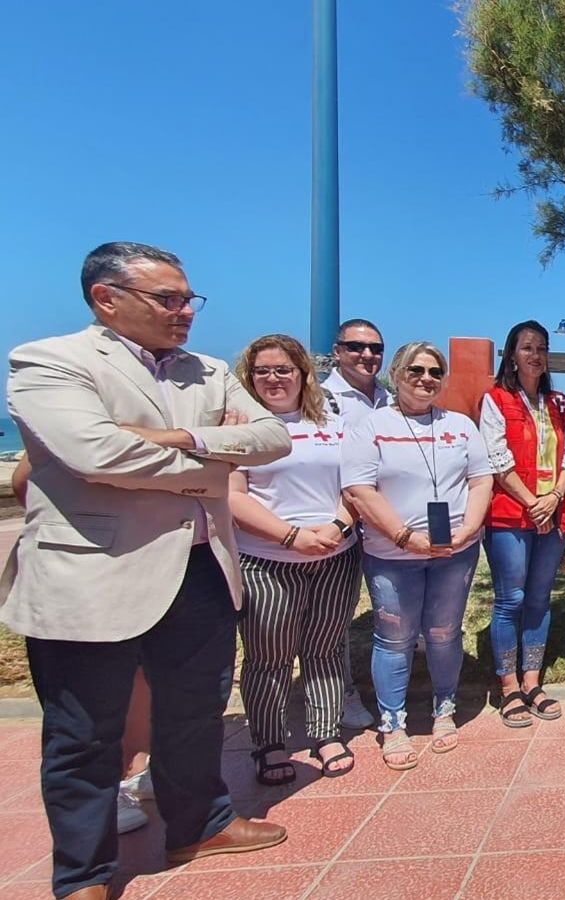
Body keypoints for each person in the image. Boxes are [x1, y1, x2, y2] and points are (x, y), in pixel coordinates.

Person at [3, 242, 292, 898]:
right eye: (168, 299)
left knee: (196, 710)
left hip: (200, 570)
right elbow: (95, 454)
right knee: (84, 734)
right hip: (95, 576)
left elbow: (273, 439)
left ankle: (200, 824)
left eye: (190, 299)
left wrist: (183, 440)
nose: (185, 311)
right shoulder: (50, 361)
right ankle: (84, 874)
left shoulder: (209, 370)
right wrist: (215, 463)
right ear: (107, 298)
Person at [341, 342, 493, 771]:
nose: (426, 378)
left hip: (456, 552)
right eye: (416, 370)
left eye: (434, 371)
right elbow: (359, 490)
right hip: (391, 554)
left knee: (445, 632)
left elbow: (481, 480)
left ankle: (444, 708)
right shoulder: (370, 427)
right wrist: (404, 536)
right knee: (395, 637)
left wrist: (468, 530)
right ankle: (393, 723)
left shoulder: (461, 426)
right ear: (396, 373)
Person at [229, 335, 363, 784]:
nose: (273, 379)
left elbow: (356, 486)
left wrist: (336, 529)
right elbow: (232, 497)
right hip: (266, 560)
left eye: (283, 370)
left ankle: (325, 732)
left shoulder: (331, 423)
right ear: (248, 378)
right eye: (262, 371)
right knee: (269, 658)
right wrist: (290, 537)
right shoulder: (239, 429)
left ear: (303, 375)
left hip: (335, 556)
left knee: (324, 651)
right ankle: (268, 744)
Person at [11, 456, 153, 835]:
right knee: (81, 702)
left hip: (140, 558)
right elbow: (24, 481)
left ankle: (137, 765)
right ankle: (103, 798)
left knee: (140, 669)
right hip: (76, 568)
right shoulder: (65, 414)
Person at [479, 320, 565, 726]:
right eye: (526, 348)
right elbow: (496, 456)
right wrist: (531, 501)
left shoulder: (561, 404)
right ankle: (508, 688)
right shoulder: (496, 400)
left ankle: (533, 680)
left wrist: (553, 497)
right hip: (509, 515)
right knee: (511, 600)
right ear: (512, 354)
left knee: (539, 599)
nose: (535, 355)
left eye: (541, 348)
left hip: (552, 513)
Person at [322, 318, 387, 731]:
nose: (367, 355)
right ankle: (341, 694)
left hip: (384, 521)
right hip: (339, 520)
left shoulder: (388, 398)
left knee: (389, 610)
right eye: (356, 347)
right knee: (336, 617)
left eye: (375, 348)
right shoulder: (321, 398)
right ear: (337, 351)